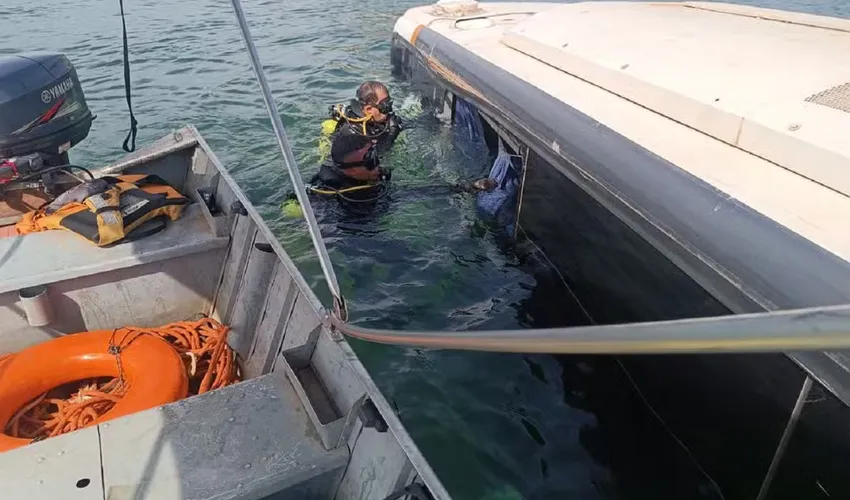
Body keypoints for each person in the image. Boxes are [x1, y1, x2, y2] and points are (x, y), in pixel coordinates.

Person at [310, 81, 403, 192]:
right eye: (385, 106)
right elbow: (371, 157)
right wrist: (391, 136)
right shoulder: (355, 132)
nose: (389, 111)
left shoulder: (379, 119)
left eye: (389, 104)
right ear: (368, 109)